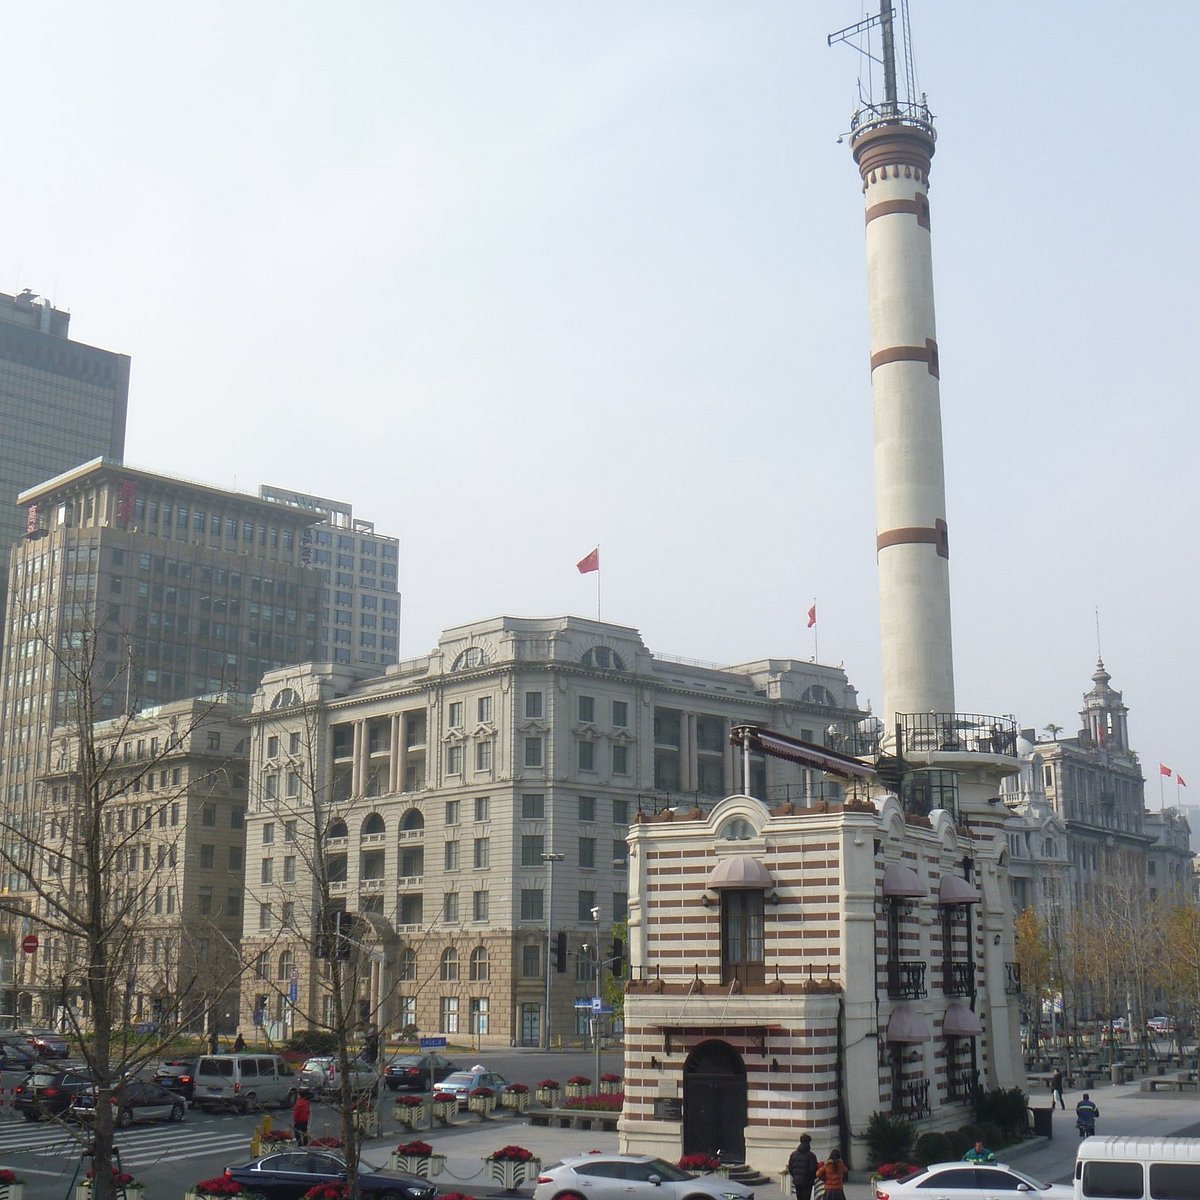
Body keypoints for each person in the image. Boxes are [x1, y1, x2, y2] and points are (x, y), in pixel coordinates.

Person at [787, 1134, 819, 1200]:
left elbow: (790, 1167)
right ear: (808, 1143)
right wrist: (813, 1177)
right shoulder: (811, 1155)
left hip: (797, 1181)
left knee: (799, 1198)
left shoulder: (793, 1154)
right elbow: (813, 1169)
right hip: (807, 1181)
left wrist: (795, 1176)